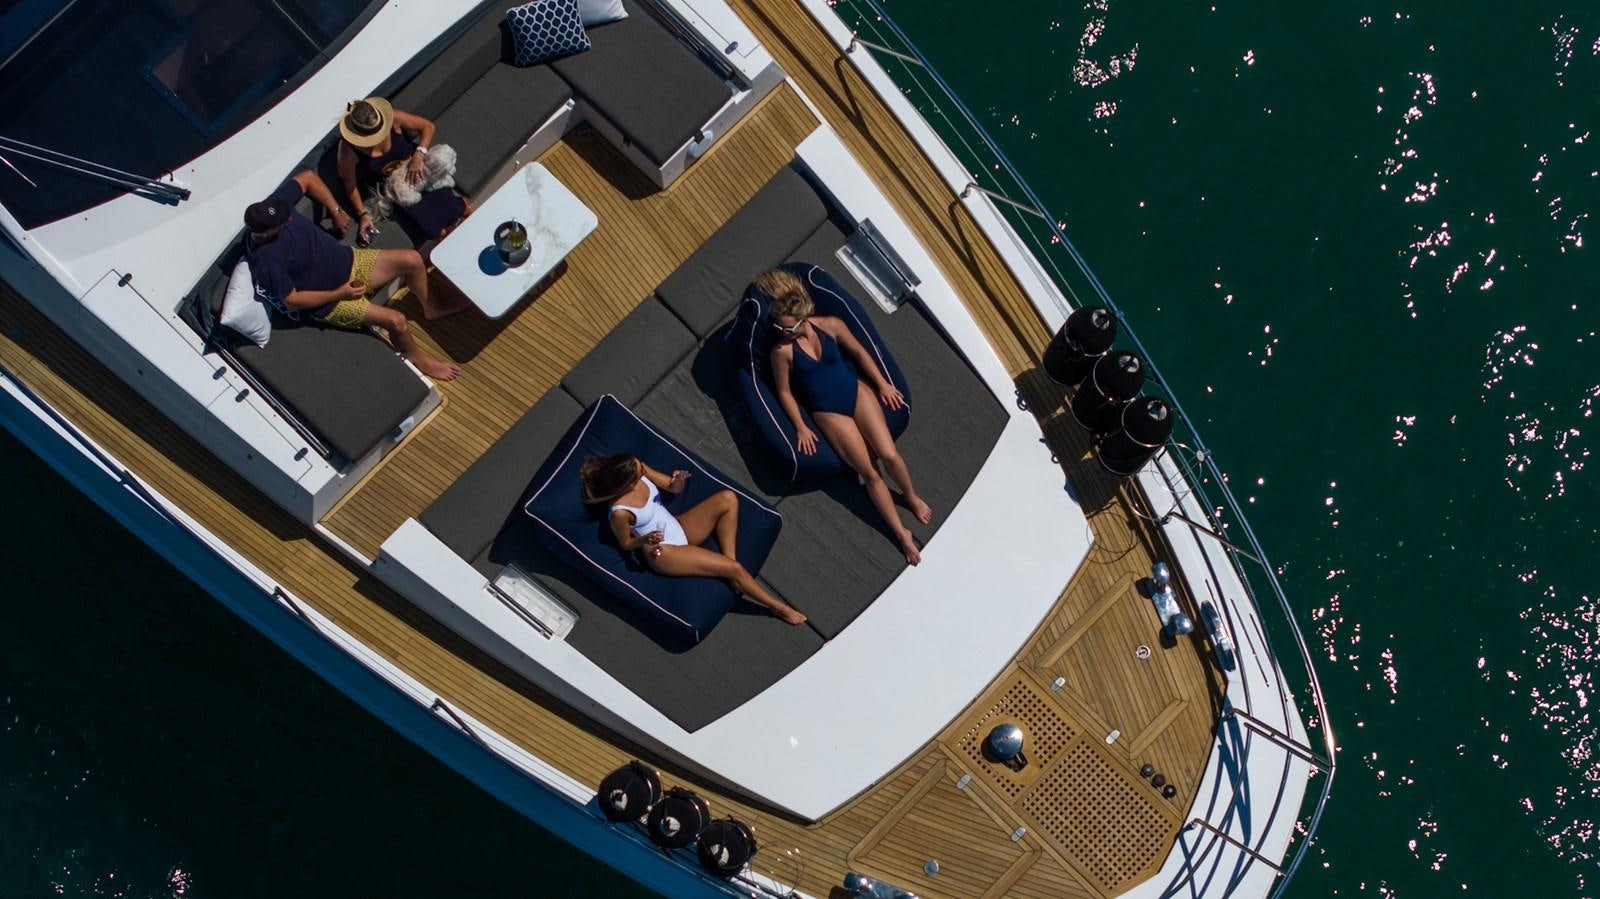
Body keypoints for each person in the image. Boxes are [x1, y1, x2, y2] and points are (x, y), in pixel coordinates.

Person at [763, 268, 931, 565]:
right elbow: (785, 392)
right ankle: (902, 534)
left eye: (787, 328)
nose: (783, 333)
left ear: (802, 320)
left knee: (889, 454)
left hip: (856, 394)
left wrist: (882, 383)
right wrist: (801, 426)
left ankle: (911, 496)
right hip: (829, 411)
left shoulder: (830, 325)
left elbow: (860, 352)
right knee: (870, 474)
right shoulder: (782, 352)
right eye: (780, 329)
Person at [242, 169, 461, 381]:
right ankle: (419, 359)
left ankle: (432, 307)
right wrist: (339, 293)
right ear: (268, 231)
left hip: (352, 262)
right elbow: (292, 301)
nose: (288, 217)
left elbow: (307, 178)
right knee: (397, 321)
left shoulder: (273, 207)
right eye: (283, 220)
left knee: (412, 260)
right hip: (333, 301)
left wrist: (336, 211)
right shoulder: (266, 260)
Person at [580, 454, 808, 626]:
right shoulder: (619, 512)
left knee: (728, 499)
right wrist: (645, 539)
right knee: (736, 568)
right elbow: (626, 544)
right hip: (663, 552)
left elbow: (672, 487)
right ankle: (777, 607)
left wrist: (678, 479)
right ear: (619, 485)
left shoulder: (635, 466)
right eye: (634, 479)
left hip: (678, 527)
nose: (640, 477)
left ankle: (730, 571)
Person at [336, 97, 470, 244]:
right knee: (437, 232)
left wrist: (419, 155)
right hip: (400, 188)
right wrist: (363, 214)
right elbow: (350, 186)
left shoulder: (393, 119)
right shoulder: (348, 150)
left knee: (460, 209)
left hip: (422, 172)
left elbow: (427, 127)